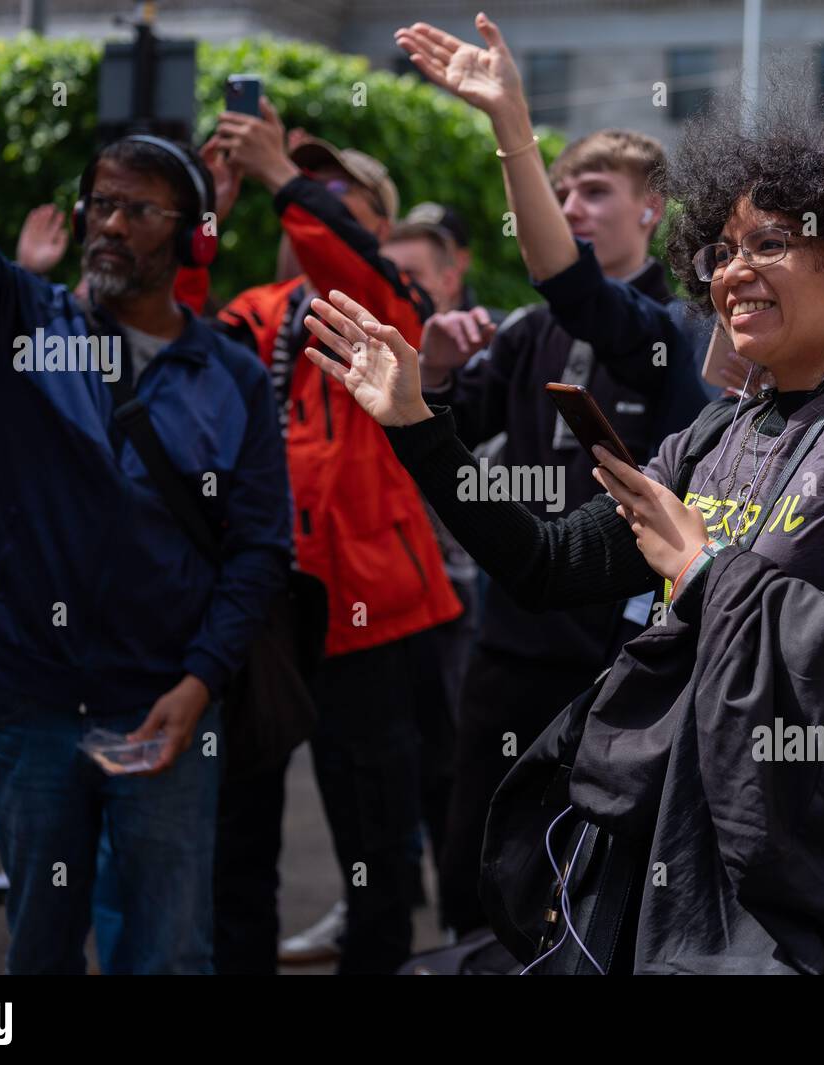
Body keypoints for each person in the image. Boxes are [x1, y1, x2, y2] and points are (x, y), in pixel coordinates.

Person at [302, 24, 824, 971]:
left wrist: (705, 572)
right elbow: (544, 563)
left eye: (772, 244)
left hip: (791, 870)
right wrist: (418, 422)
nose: (732, 272)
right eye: (725, 249)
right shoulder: (718, 431)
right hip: (671, 836)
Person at [0, 3, 293, 975]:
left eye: (139, 209)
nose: (108, 224)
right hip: (31, 703)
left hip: (165, 710)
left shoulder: (228, 376)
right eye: (101, 202)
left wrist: (197, 685)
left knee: (169, 953)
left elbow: (263, 547)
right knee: (40, 948)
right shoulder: (25, 319)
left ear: (189, 237)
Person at [395, 16, 711, 938]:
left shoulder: (671, 336)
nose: (573, 204)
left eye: (596, 190)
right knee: (471, 865)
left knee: (577, 887)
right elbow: (449, 439)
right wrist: (437, 373)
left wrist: (511, 126)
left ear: (652, 207)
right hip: (507, 641)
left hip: (611, 660)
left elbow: (569, 281)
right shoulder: (530, 334)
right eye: (561, 188)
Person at [209, 101, 462, 974]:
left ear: (377, 227)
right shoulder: (250, 310)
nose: (302, 202)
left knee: (376, 849)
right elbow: (163, 349)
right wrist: (211, 204)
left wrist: (283, 175)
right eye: (296, 185)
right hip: (257, 613)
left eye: (328, 192)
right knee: (235, 838)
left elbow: (371, 283)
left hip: (371, 618)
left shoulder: (393, 309)